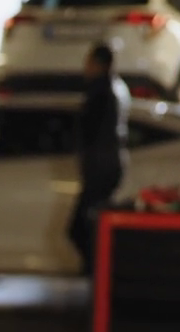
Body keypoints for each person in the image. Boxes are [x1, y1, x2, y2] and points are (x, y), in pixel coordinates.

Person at [67, 43, 129, 271]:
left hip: (100, 168)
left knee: (82, 227)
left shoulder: (100, 91)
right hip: (107, 166)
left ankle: (96, 271)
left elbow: (90, 130)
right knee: (88, 225)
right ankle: (97, 270)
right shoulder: (116, 89)